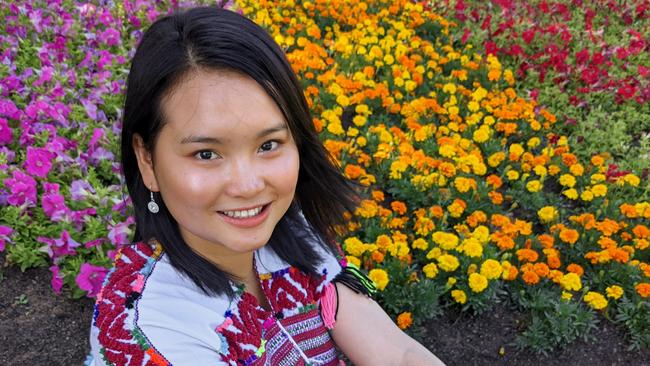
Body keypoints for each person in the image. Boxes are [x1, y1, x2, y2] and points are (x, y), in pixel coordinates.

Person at [87, 5, 445, 366]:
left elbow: (396, 353)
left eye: (268, 145)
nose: (248, 185)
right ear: (147, 159)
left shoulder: (290, 234)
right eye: (206, 154)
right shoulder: (148, 335)